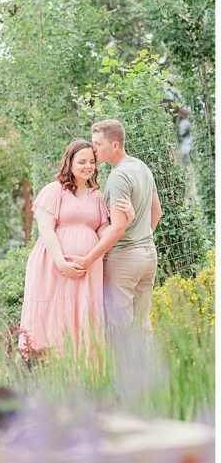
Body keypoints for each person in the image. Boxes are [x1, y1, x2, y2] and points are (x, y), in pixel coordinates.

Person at [19, 140, 132, 359]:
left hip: (88, 269)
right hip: (53, 266)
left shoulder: (96, 196)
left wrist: (125, 221)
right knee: (53, 313)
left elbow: (104, 234)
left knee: (84, 316)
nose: (88, 166)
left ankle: (82, 374)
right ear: (69, 162)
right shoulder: (54, 190)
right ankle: (44, 365)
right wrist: (61, 262)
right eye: (82, 161)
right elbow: (46, 230)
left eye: (92, 161)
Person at [70, 119, 162, 344]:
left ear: (115, 145)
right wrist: (140, 241)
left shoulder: (118, 176)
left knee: (120, 332)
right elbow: (157, 212)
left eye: (98, 144)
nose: (94, 149)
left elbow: (118, 228)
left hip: (124, 261)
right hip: (148, 256)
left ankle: (126, 379)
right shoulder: (141, 166)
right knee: (142, 327)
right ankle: (150, 377)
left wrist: (88, 259)